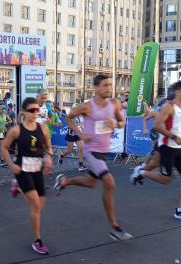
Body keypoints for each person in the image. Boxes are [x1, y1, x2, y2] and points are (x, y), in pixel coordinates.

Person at [53, 74, 133, 241]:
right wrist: (81, 134)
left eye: (110, 85)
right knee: (110, 183)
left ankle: (64, 181)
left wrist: (116, 124)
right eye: (104, 85)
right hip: (91, 150)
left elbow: (121, 122)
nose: (108, 88)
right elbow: (69, 118)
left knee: (90, 183)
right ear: (96, 88)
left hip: (103, 151)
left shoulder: (114, 104)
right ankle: (114, 228)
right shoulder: (87, 106)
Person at [1, 97, 53, 255]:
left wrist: (49, 157)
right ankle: (37, 241)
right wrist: (10, 164)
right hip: (22, 170)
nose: (35, 113)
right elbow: (3, 147)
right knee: (36, 205)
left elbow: (48, 147)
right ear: (23, 112)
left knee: (39, 207)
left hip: (37, 169)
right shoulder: (16, 130)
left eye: (37, 110)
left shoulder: (43, 128)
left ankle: (17, 186)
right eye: (31, 110)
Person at [130, 81, 181, 219]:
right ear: (177, 92)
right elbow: (156, 124)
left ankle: (179, 210)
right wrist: (173, 136)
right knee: (166, 179)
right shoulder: (167, 107)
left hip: (179, 147)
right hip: (167, 145)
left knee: (157, 161)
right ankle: (142, 171)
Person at [58, 103, 86, 171]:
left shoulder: (81, 116)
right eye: (75, 108)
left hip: (78, 134)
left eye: (77, 108)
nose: (76, 110)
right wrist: (78, 125)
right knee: (69, 150)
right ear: (72, 109)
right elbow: (71, 125)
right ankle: (62, 156)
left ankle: (80, 165)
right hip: (71, 134)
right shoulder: (70, 116)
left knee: (81, 148)